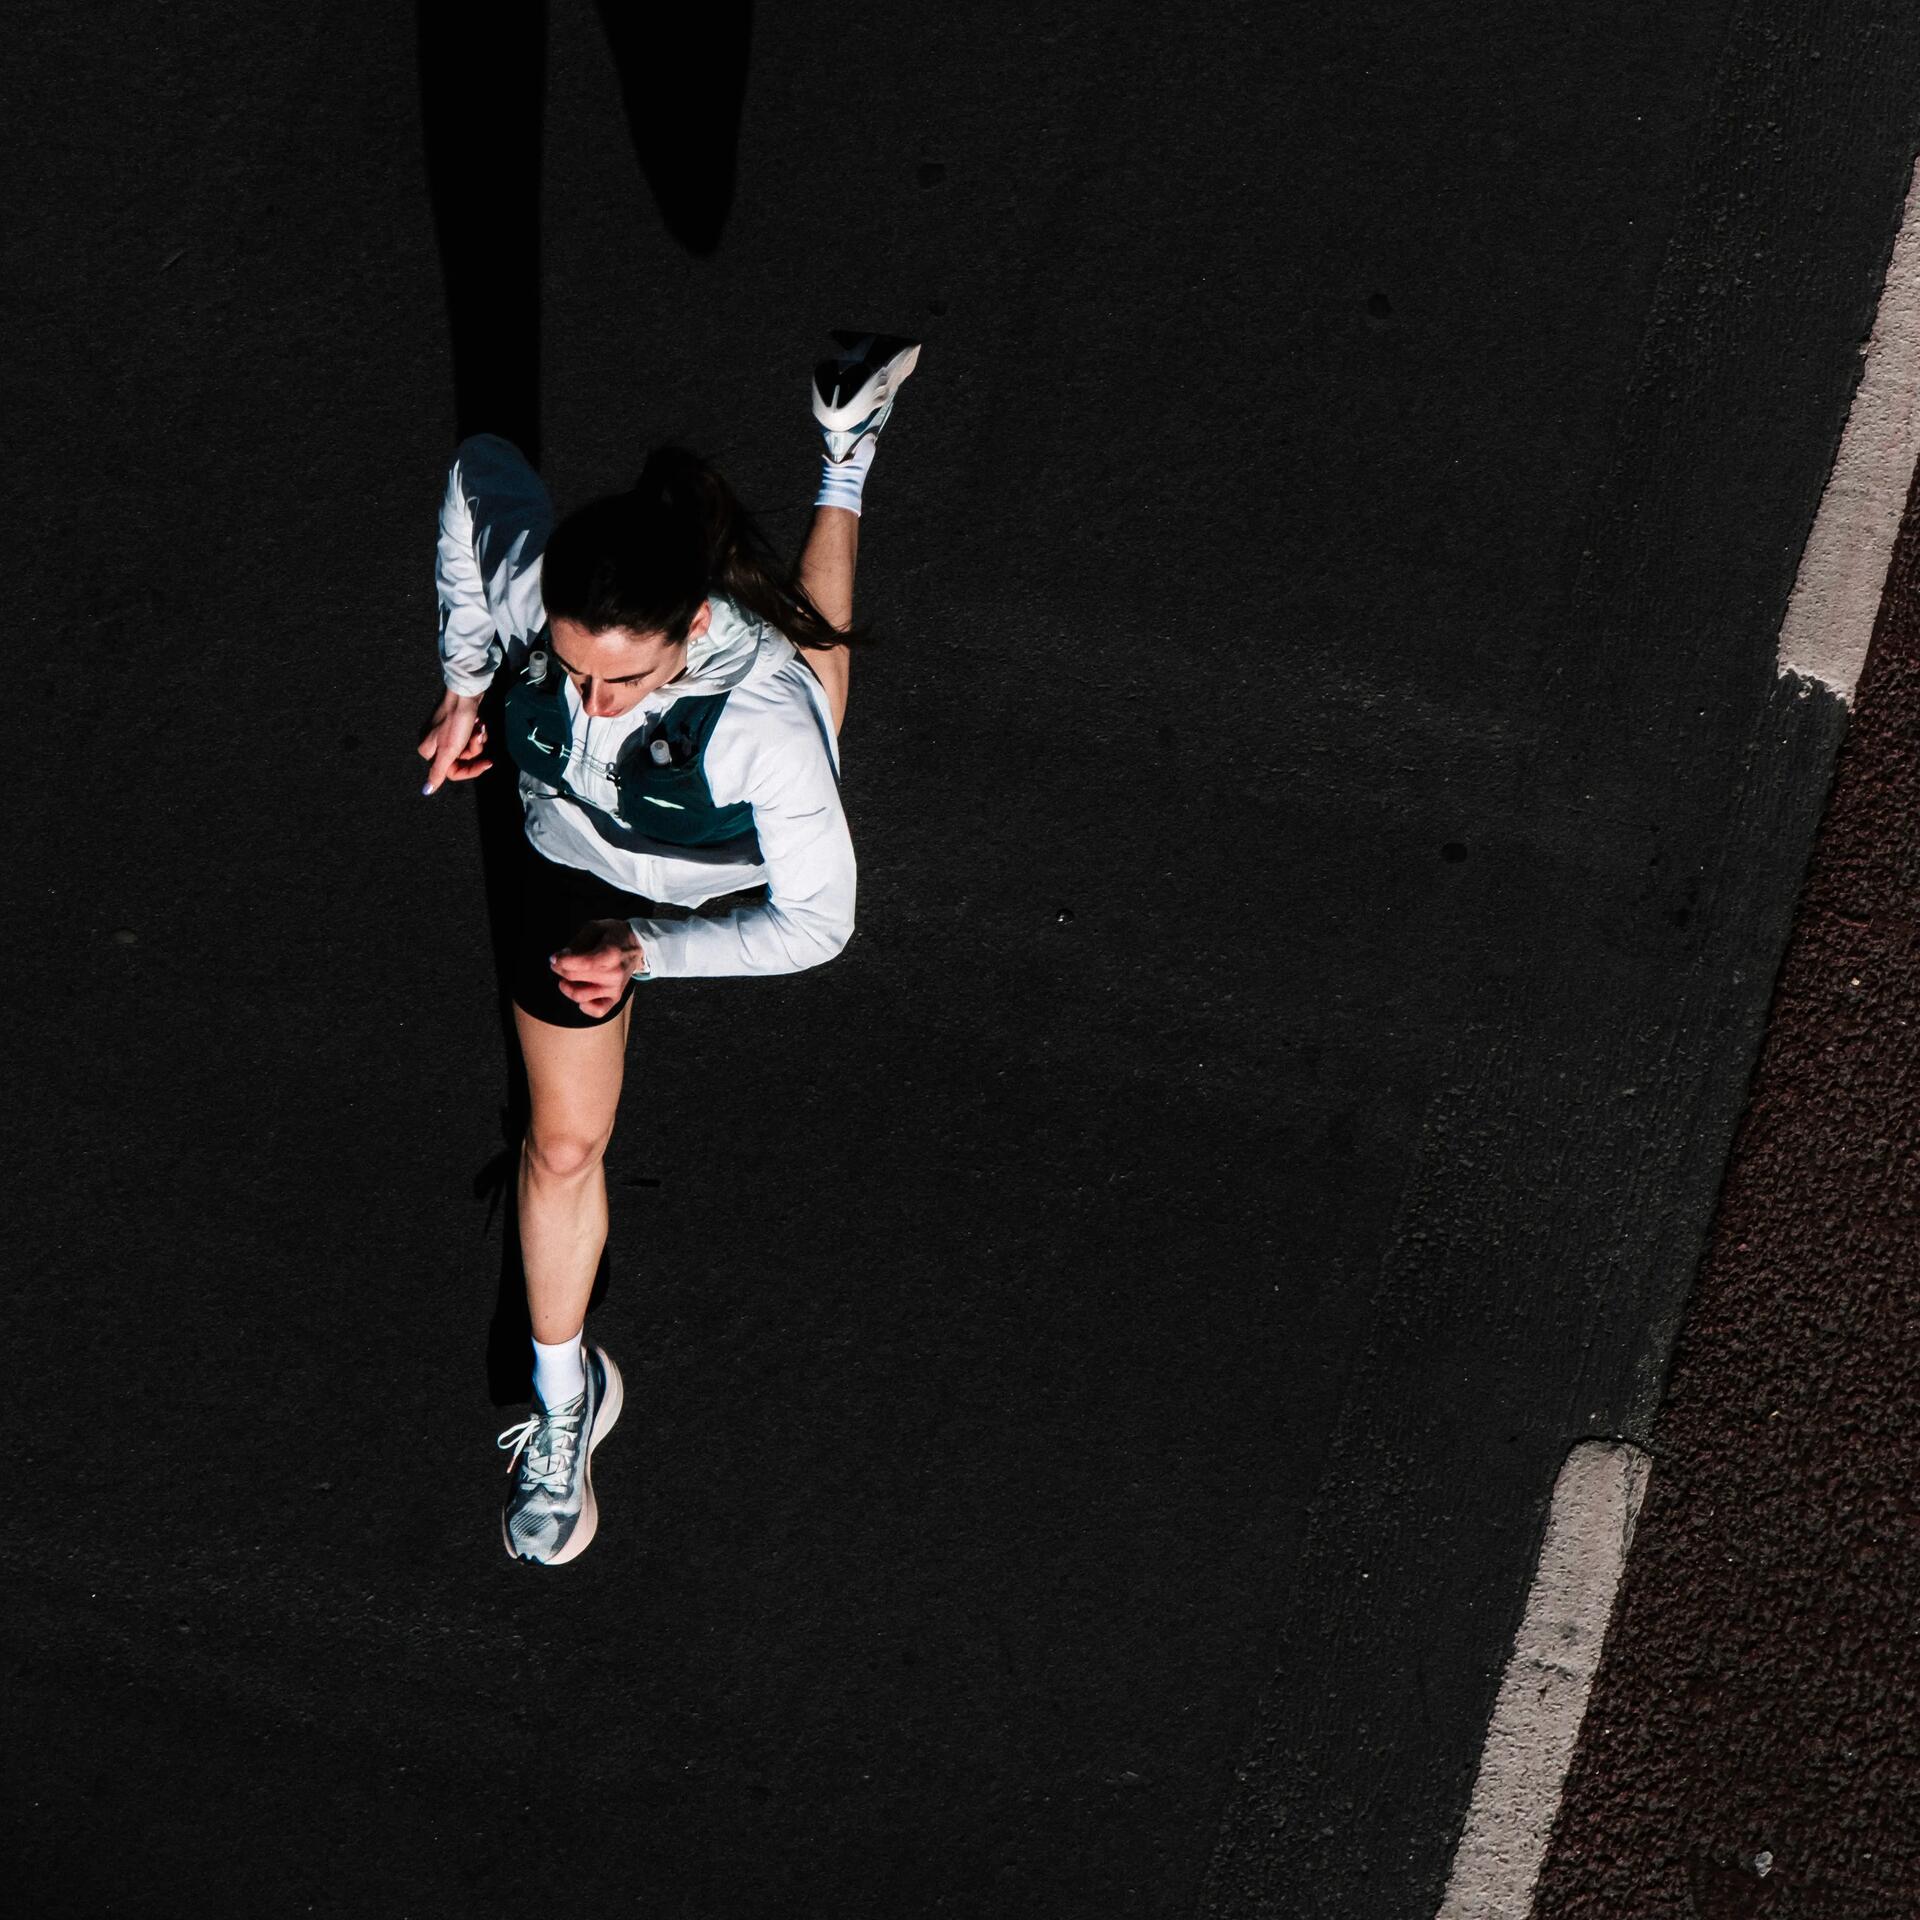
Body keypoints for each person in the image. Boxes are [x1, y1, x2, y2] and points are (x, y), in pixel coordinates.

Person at [417, 334, 921, 1565]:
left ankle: (843, 463)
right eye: (573, 674)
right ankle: (564, 1400)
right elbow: (478, 472)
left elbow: (818, 924)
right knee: (564, 1140)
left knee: (812, 677)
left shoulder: (764, 733)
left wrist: (649, 947)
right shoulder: (548, 587)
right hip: (564, 863)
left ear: (692, 626)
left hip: (708, 861)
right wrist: (471, 681)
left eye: (623, 681)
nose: (589, 705)